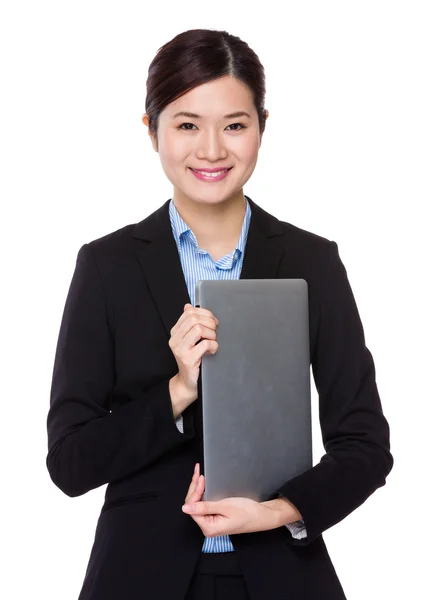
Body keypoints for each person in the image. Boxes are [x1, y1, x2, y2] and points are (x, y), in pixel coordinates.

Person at [46, 28, 393, 600]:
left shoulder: (311, 261)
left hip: (281, 572)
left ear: (262, 126)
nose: (211, 150)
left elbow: (365, 444)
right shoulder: (106, 266)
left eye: (234, 124)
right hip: (138, 576)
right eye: (186, 125)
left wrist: (281, 511)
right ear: (151, 129)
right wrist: (178, 390)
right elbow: (69, 463)